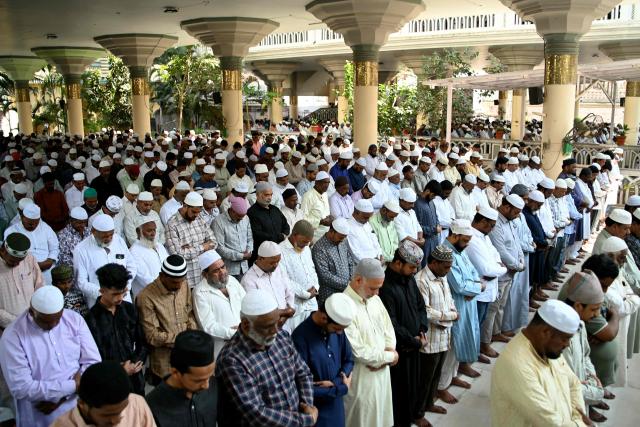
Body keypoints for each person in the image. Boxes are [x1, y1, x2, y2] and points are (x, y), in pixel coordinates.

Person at [0, 286, 101, 427]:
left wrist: (62, 398)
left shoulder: (73, 320)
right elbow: (21, 387)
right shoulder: (13, 336)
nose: (53, 325)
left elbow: (93, 361)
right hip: (41, 414)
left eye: (57, 319)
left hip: (79, 407)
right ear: (31, 311)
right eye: (45, 321)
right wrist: (74, 385)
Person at [216, 289, 318, 426]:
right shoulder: (231, 360)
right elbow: (256, 414)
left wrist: (307, 406)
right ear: (246, 325)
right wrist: (304, 421)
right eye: (268, 326)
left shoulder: (281, 337)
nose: (275, 330)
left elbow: (303, 374)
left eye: (277, 322)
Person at [491, 300, 590, 426]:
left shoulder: (548, 349)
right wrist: (581, 424)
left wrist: (578, 418)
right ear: (545, 332)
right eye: (565, 339)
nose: (567, 345)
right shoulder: (517, 364)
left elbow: (574, 383)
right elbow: (550, 422)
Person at [378, 241, 430, 427]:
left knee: (413, 389)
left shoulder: (409, 280)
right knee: (399, 394)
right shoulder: (386, 287)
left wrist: (422, 329)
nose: (415, 271)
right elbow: (391, 324)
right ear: (398, 263)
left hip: (416, 344)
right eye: (412, 267)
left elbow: (420, 306)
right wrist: (413, 341)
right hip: (400, 351)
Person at [343, 259, 397, 427]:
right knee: (363, 419)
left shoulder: (374, 299)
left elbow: (388, 329)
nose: (377, 293)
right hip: (362, 377)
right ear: (358, 280)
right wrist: (388, 356)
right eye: (373, 288)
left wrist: (389, 351)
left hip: (382, 373)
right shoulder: (344, 305)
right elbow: (357, 350)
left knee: (382, 417)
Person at [291, 293, 355, 427]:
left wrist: (335, 383)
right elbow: (300, 386)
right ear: (324, 317)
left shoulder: (337, 329)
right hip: (316, 414)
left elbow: (349, 360)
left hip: (337, 409)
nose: (339, 333)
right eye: (337, 329)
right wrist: (341, 388)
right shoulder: (300, 337)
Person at [84, 263, 147, 396]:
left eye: (123, 292)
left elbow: (142, 342)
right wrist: (119, 370)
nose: (120, 298)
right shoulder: (91, 319)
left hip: (136, 381)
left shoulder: (129, 310)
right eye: (115, 294)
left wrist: (134, 364)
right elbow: (93, 358)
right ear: (101, 290)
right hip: (109, 384)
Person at [137, 255, 198, 384]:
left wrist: (191, 331)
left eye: (181, 281)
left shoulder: (184, 285)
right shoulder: (146, 297)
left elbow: (190, 313)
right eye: (175, 282)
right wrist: (183, 339)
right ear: (162, 276)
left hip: (187, 359)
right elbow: (152, 336)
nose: (179, 286)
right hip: (165, 366)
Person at [560, 271, 609, 423]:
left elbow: (585, 356)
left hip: (583, 393)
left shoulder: (580, 324)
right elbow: (564, 385)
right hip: (565, 404)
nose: (596, 315)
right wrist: (597, 392)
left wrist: (591, 377)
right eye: (594, 309)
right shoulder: (559, 338)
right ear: (578, 306)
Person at [415, 245, 459, 413]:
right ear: (434, 262)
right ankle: (418, 413)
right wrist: (451, 316)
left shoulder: (442, 276)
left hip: (443, 336)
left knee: (435, 376)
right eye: (446, 266)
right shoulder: (421, 280)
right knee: (424, 379)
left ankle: (429, 404)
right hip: (430, 339)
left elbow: (449, 299)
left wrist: (453, 309)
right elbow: (425, 311)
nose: (448, 270)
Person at [146, 330, 218, 427]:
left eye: (209, 377)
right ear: (175, 372)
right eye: (198, 380)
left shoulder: (214, 386)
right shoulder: (151, 408)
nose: (206, 385)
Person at [442, 219, 483, 388]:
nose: (467, 244)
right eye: (465, 240)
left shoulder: (460, 250)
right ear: (455, 235)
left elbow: (473, 272)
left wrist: (474, 287)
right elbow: (459, 286)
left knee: (458, 345)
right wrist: (476, 287)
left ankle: (452, 377)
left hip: (467, 302)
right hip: (455, 305)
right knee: (451, 346)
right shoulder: (445, 253)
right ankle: (441, 386)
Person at [51, 361, 155, 427]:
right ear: (82, 404)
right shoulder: (61, 424)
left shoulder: (137, 404)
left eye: (121, 411)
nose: (116, 421)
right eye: (107, 415)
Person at [74, 214, 136, 308]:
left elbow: (131, 265)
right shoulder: (81, 249)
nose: (109, 238)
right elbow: (81, 282)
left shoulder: (118, 240)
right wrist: (105, 294)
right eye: (104, 236)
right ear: (93, 232)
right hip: (100, 303)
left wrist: (127, 284)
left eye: (111, 234)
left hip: (124, 299)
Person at [193, 250, 245, 359]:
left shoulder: (233, 281)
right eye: (216, 270)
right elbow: (208, 326)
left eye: (223, 267)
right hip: (222, 347)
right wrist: (234, 333)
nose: (222, 272)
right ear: (205, 274)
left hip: (245, 341)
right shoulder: (200, 292)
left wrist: (247, 327)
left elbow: (247, 304)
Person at [165, 191, 217, 288]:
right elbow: (178, 255)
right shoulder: (172, 224)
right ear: (185, 206)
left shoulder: (199, 219)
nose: (196, 215)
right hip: (187, 281)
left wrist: (190, 249)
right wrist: (203, 247)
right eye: (194, 212)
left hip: (205, 276)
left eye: (199, 212)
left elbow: (214, 242)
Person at [241, 241, 296, 330]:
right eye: (272, 262)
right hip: (266, 329)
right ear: (260, 258)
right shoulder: (248, 280)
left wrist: (286, 315)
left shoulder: (279, 269)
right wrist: (284, 313)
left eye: (278, 261)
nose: (276, 265)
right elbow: (257, 310)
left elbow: (289, 292)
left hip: (286, 324)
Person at [279, 220, 320, 331]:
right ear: (295, 235)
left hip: (311, 305)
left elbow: (312, 270)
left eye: (308, 243)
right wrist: (305, 294)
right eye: (303, 241)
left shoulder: (306, 249)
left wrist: (316, 287)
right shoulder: (280, 250)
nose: (306, 245)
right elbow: (284, 280)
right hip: (295, 307)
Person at [4, 203, 59, 285]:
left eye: (36, 223)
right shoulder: (12, 231)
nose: (33, 226)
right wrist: (34, 265)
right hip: (24, 272)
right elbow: (11, 256)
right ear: (22, 217)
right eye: (30, 223)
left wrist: (50, 260)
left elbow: (55, 247)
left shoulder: (45, 227)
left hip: (48, 269)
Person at [0, 232, 43, 330]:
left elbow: (39, 285)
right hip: (6, 328)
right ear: (3, 251)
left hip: (33, 322)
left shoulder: (29, 259)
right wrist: (16, 322)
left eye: (20, 261)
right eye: (12, 261)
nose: (17, 265)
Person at [312, 218, 358, 302]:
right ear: (332, 232)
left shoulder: (342, 242)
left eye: (344, 238)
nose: (342, 240)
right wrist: (347, 284)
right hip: (329, 295)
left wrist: (351, 279)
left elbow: (350, 261)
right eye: (340, 237)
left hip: (346, 292)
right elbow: (325, 276)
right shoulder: (319, 248)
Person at [211, 195, 253, 281]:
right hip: (228, 270)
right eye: (239, 217)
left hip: (245, 267)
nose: (241, 219)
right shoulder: (218, 222)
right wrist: (241, 256)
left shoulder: (245, 218)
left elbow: (250, 238)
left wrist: (249, 250)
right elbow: (219, 247)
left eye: (243, 217)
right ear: (232, 211)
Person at [247, 182, 290, 262]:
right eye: (267, 195)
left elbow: (286, 225)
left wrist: (284, 234)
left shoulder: (275, 209)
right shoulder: (252, 212)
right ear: (258, 195)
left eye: (271, 195)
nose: (270, 197)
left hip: (281, 250)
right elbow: (258, 234)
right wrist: (279, 237)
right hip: (264, 255)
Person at [129, 216, 169, 298]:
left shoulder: (159, 245)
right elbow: (144, 278)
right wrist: (164, 287)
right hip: (148, 296)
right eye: (149, 230)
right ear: (138, 232)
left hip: (166, 290)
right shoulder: (134, 251)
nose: (153, 233)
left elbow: (168, 263)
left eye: (154, 230)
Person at [301, 171, 332, 243]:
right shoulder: (308, 196)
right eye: (324, 182)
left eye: (328, 182)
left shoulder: (325, 194)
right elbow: (303, 219)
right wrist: (320, 222)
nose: (327, 185)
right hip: (313, 236)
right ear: (317, 183)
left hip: (326, 234)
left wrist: (330, 218)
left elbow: (326, 213)